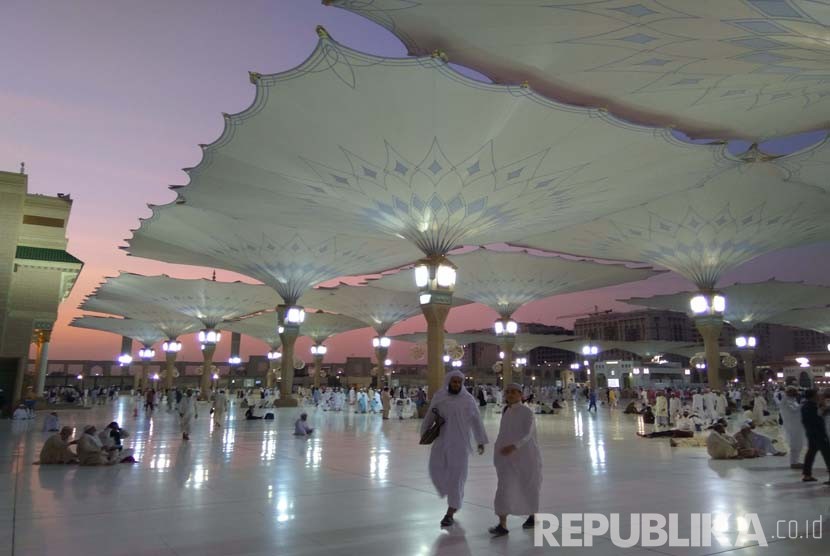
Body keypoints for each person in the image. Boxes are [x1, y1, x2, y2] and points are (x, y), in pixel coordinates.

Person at [421, 370, 488, 528]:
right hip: (442, 441)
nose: (456, 384)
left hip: (460, 443)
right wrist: (424, 432)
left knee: (457, 477)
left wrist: (480, 440)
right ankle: (449, 494)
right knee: (435, 468)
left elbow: (476, 420)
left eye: (459, 382)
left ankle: (451, 510)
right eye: (454, 381)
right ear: (448, 382)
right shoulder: (440, 397)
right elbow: (430, 416)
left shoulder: (468, 400)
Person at [489, 383, 542, 537]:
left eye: (514, 392)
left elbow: (528, 433)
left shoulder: (526, 412)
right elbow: (502, 433)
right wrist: (498, 450)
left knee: (528, 486)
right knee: (504, 487)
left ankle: (532, 516)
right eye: (508, 392)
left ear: (520, 394)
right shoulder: (506, 410)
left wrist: (514, 446)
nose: (510, 395)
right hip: (506, 458)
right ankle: (502, 524)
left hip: (526, 457)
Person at [800, 389, 830, 484]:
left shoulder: (806, 405)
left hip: (812, 434)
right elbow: (817, 419)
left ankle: (807, 475)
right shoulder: (811, 406)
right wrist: (826, 410)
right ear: (813, 396)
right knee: (828, 454)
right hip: (819, 434)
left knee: (810, 454)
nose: (819, 396)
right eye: (817, 394)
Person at [779, 387, 805, 469]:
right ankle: (793, 463)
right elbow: (793, 411)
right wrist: (802, 405)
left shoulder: (791, 400)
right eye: (795, 392)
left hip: (797, 425)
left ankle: (795, 461)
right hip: (792, 426)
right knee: (795, 445)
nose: (797, 394)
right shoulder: (786, 401)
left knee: (799, 444)